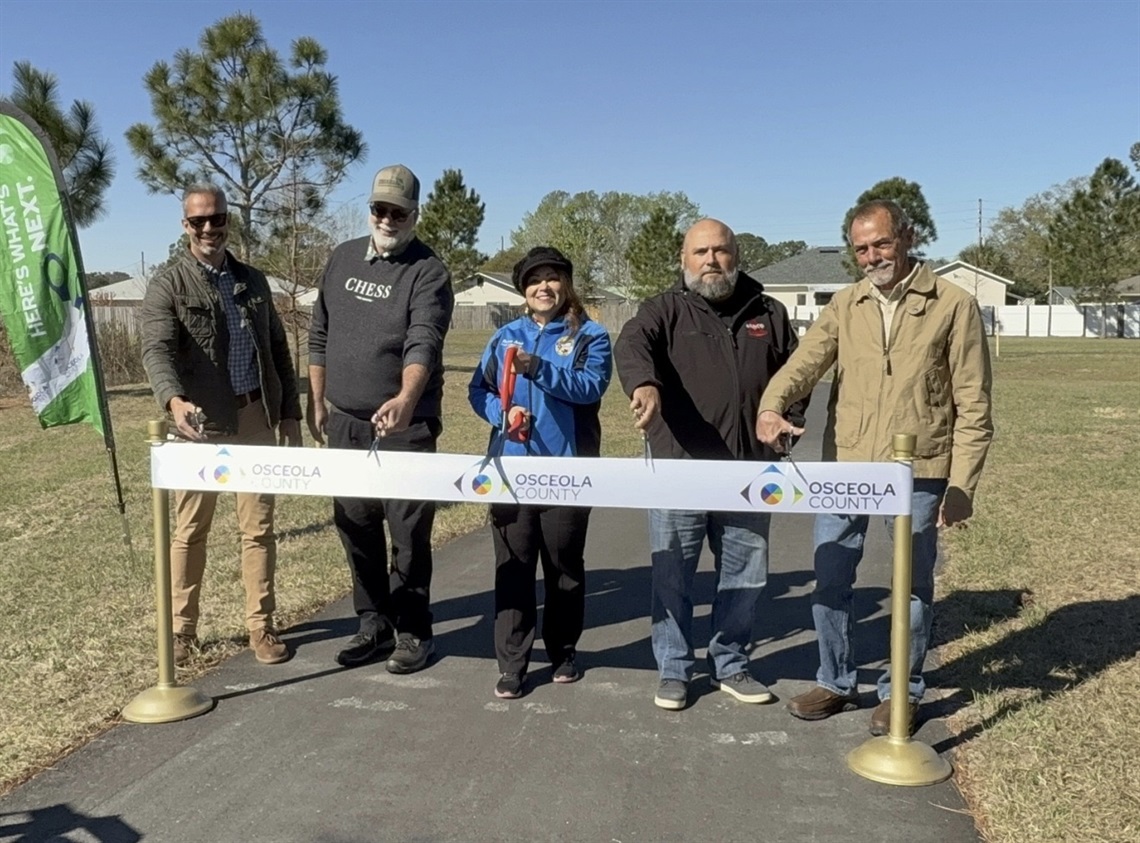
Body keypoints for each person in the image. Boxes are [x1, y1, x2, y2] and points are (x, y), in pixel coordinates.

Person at [757, 198, 994, 736]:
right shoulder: (846, 305)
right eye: (861, 248)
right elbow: (806, 362)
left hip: (919, 469)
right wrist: (773, 404)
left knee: (911, 585)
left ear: (906, 237)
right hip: (846, 466)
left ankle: (903, 692)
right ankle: (836, 680)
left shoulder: (952, 305)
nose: (871, 257)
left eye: (881, 244)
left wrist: (961, 484)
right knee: (831, 575)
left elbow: (974, 402)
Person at [614, 218, 806, 711]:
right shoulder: (663, 310)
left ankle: (731, 663)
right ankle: (674, 669)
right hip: (681, 467)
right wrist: (644, 385)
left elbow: (797, 374)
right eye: (700, 252)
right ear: (684, 259)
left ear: (736, 255)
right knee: (672, 574)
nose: (710, 261)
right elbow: (632, 344)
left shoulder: (770, 312)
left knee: (745, 572)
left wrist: (787, 420)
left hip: (749, 471)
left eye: (720, 251)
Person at [141, 182, 303, 667]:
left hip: (255, 417)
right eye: (198, 221)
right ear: (185, 226)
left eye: (217, 219)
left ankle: (261, 627)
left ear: (228, 221)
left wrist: (290, 412)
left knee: (258, 529)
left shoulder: (253, 281)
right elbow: (156, 349)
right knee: (191, 530)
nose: (209, 228)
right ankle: (182, 632)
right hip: (200, 425)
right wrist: (173, 401)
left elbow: (277, 349)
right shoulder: (168, 283)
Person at [307, 164, 454, 675]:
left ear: (414, 214)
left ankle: (413, 629)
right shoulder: (342, 258)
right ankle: (372, 622)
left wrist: (407, 398)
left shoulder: (428, 270)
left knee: (408, 530)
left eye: (398, 211)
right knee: (355, 523)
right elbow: (319, 333)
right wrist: (318, 398)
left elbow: (424, 340)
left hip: (405, 425)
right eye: (379, 209)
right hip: (345, 421)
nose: (387, 219)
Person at [468, 247, 613, 699]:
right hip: (511, 471)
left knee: (564, 565)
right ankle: (512, 662)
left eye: (552, 278)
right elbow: (479, 390)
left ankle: (564, 651)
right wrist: (501, 413)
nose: (543, 287)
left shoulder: (591, 335)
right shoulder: (504, 336)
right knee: (513, 566)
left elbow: (590, 389)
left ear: (566, 284)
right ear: (523, 290)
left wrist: (541, 369)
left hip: (567, 470)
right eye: (534, 281)